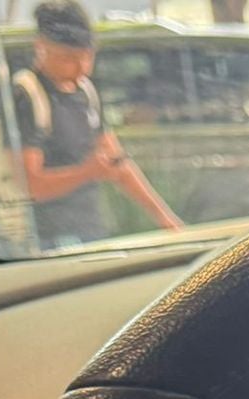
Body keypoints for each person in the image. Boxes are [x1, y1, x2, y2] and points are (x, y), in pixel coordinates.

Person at [12, 0, 180, 248]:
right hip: (49, 237)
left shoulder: (86, 92)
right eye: (69, 58)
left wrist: (167, 220)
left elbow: (118, 162)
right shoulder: (27, 95)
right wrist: (87, 172)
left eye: (87, 57)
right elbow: (31, 185)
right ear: (41, 46)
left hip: (91, 228)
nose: (81, 68)